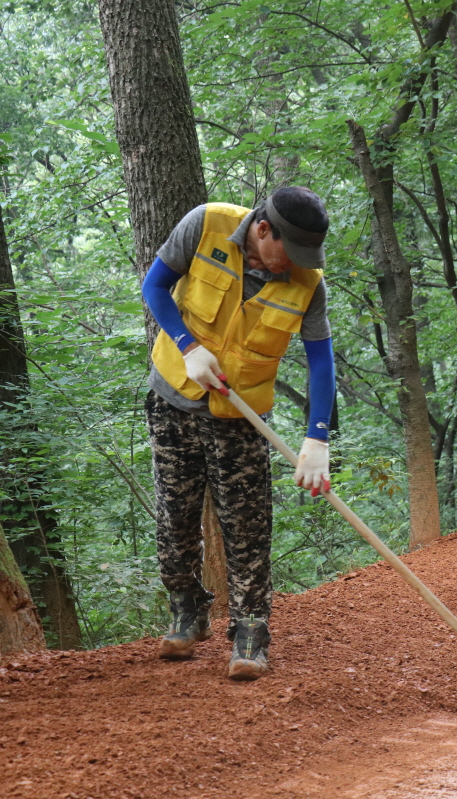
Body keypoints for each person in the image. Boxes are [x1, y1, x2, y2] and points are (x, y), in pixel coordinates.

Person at [140, 187, 336, 681]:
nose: (292, 266)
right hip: (174, 401)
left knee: (248, 529)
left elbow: (320, 360)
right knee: (174, 519)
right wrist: (187, 345)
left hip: (240, 420)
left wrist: (317, 439)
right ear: (263, 230)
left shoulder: (308, 283)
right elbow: (154, 288)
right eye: (289, 254)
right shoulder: (205, 225)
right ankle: (188, 611)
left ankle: (251, 630)